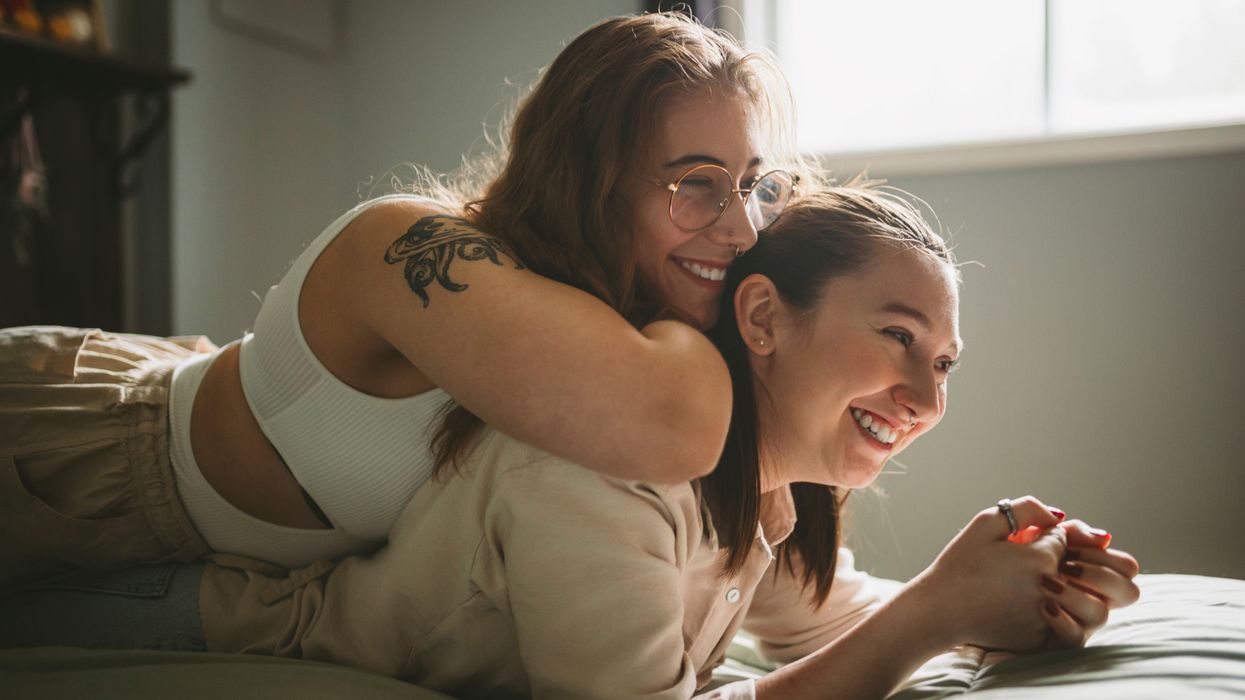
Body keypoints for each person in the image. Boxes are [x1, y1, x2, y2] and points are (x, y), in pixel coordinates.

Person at [0, 186, 1138, 699]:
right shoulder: (608, 463)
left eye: (943, 364)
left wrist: (1015, 596)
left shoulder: (759, 502)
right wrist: (939, 613)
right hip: (170, 583)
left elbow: (841, 616)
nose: (925, 390)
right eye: (898, 337)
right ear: (761, 321)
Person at [0, 12, 807, 583]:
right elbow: (675, 424)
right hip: (69, 441)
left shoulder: (616, 314)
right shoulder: (411, 247)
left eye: (752, 185)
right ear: (589, 176)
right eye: (697, 183)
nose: (741, 229)